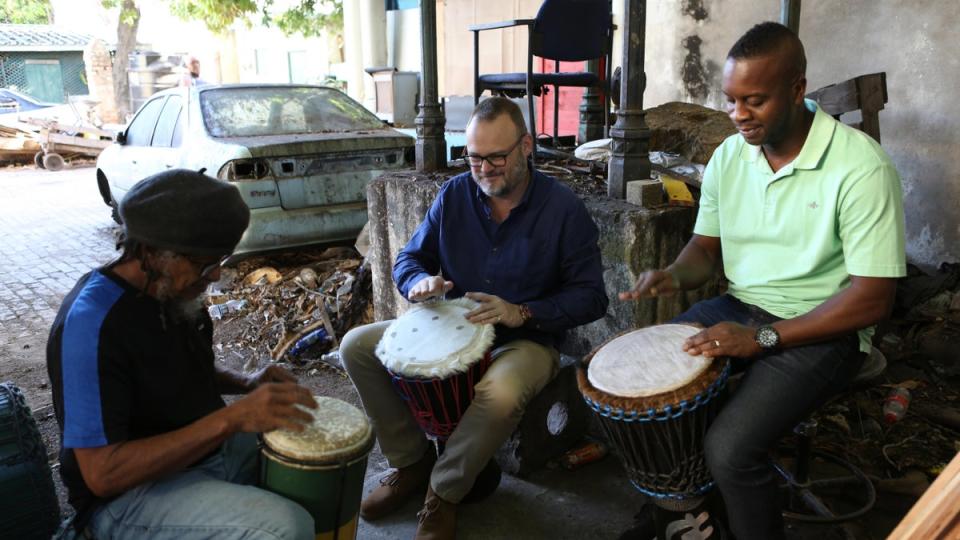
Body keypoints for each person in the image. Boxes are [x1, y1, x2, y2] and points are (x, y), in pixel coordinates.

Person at [619, 22, 906, 540]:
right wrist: (673, 275)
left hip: (827, 329)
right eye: (731, 100)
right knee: (648, 395)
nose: (738, 116)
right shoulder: (730, 157)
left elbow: (872, 299)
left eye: (754, 100)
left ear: (797, 89)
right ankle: (691, 518)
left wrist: (761, 339)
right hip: (741, 307)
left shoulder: (860, 167)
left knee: (731, 448)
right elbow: (706, 250)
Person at [340, 97, 608, 539]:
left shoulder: (563, 210)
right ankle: (411, 463)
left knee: (500, 392)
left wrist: (523, 311)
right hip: (455, 324)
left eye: (497, 157)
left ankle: (442, 494)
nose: (483, 169)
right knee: (357, 347)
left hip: (526, 338)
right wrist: (419, 281)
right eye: (474, 158)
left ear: (526, 145)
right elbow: (408, 259)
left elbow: (591, 298)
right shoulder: (454, 195)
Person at [46, 169, 318, 539]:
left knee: (307, 457)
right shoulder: (92, 324)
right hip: (128, 497)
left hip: (196, 454)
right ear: (153, 252)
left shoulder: (170, 289)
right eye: (204, 263)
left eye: (221, 259)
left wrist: (247, 383)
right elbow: (102, 475)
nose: (215, 274)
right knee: (285, 527)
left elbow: (175, 369)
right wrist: (230, 420)